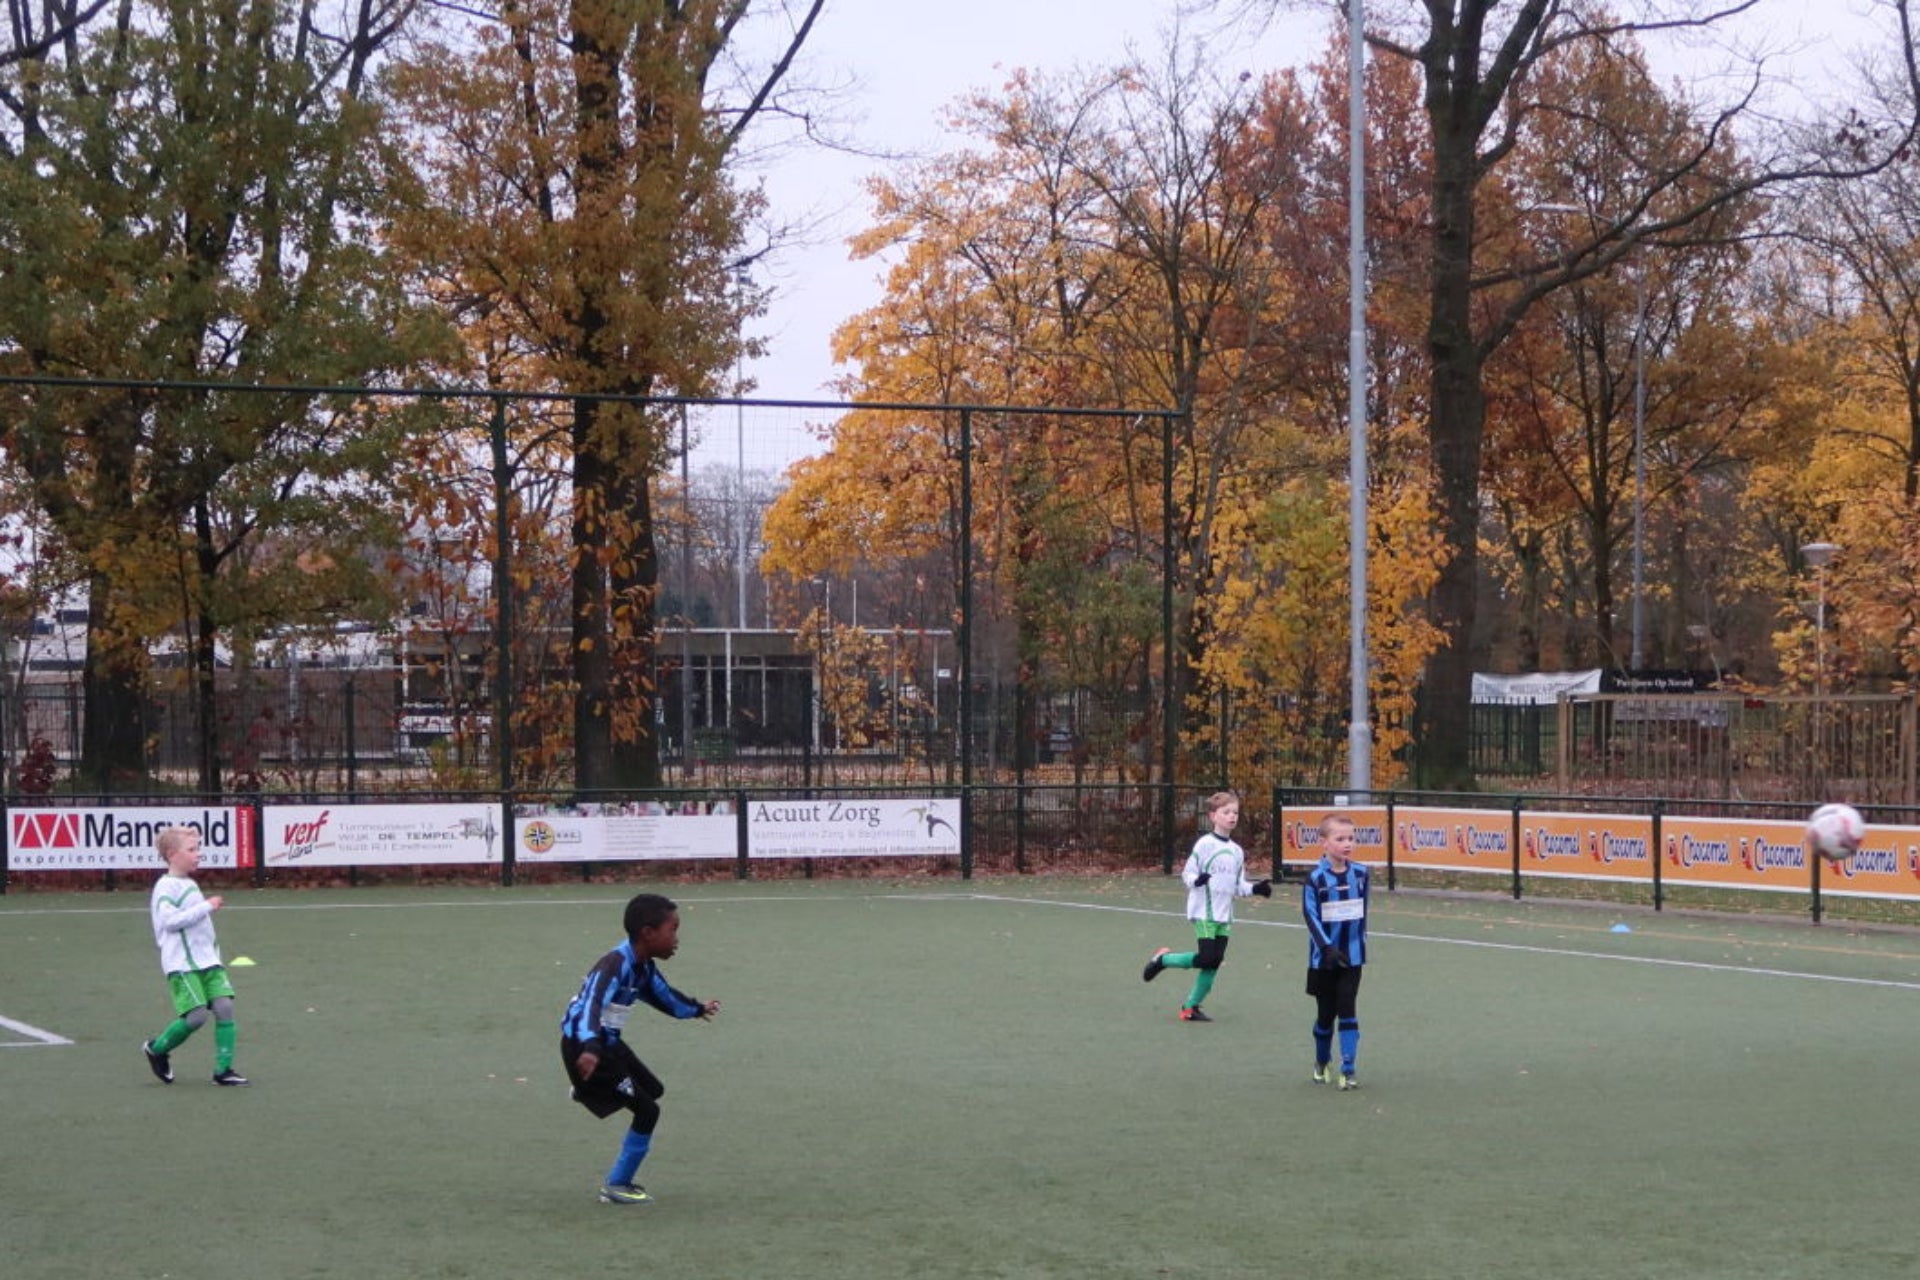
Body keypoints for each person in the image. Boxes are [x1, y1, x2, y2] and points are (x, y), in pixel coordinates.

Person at [561, 892, 720, 1205]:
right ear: (648, 933)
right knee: (648, 1111)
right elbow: (591, 1004)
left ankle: (587, 1089)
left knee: (654, 1090)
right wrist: (590, 1047)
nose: (677, 939)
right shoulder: (615, 964)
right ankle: (617, 1184)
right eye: (672, 930)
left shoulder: (643, 966)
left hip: (606, 1044)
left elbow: (664, 996)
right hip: (587, 1046)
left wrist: (696, 1009)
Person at [1142, 791, 1271, 1021]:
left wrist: (1256, 889)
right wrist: (1197, 880)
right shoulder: (1205, 844)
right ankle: (1163, 960)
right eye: (1226, 812)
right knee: (1208, 958)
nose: (1232, 816)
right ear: (1213, 816)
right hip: (1204, 912)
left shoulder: (1237, 851)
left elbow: (1238, 886)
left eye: (1235, 812)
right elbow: (1188, 874)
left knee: (1213, 963)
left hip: (1225, 915)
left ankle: (1190, 1008)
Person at [141, 825, 248, 1086]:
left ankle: (223, 1071)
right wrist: (206, 906)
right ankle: (157, 1049)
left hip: (208, 961)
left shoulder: (189, 883)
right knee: (197, 1016)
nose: (198, 854)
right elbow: (170, 922)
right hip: (182, 964)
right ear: (172, 854)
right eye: (191, 849)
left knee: (225, 1007)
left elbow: (200, 930)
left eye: (197, 848)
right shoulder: (165, 886)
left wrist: (214, 953)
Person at [1303, 812, 1370, 1090]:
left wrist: (1359, 944)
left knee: (1347, 1008)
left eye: (1351, 838)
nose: (1347, 844)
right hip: (1323, 959)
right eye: (1340, 839)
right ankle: (1321, 1061)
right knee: (1325, 1015)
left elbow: (1363, 912)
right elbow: (1310, 915)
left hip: (1352, 958)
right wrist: (1326, 947)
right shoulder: (1315, 878)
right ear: (1324, 842)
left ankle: (1348, 1068)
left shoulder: (1361, 873)